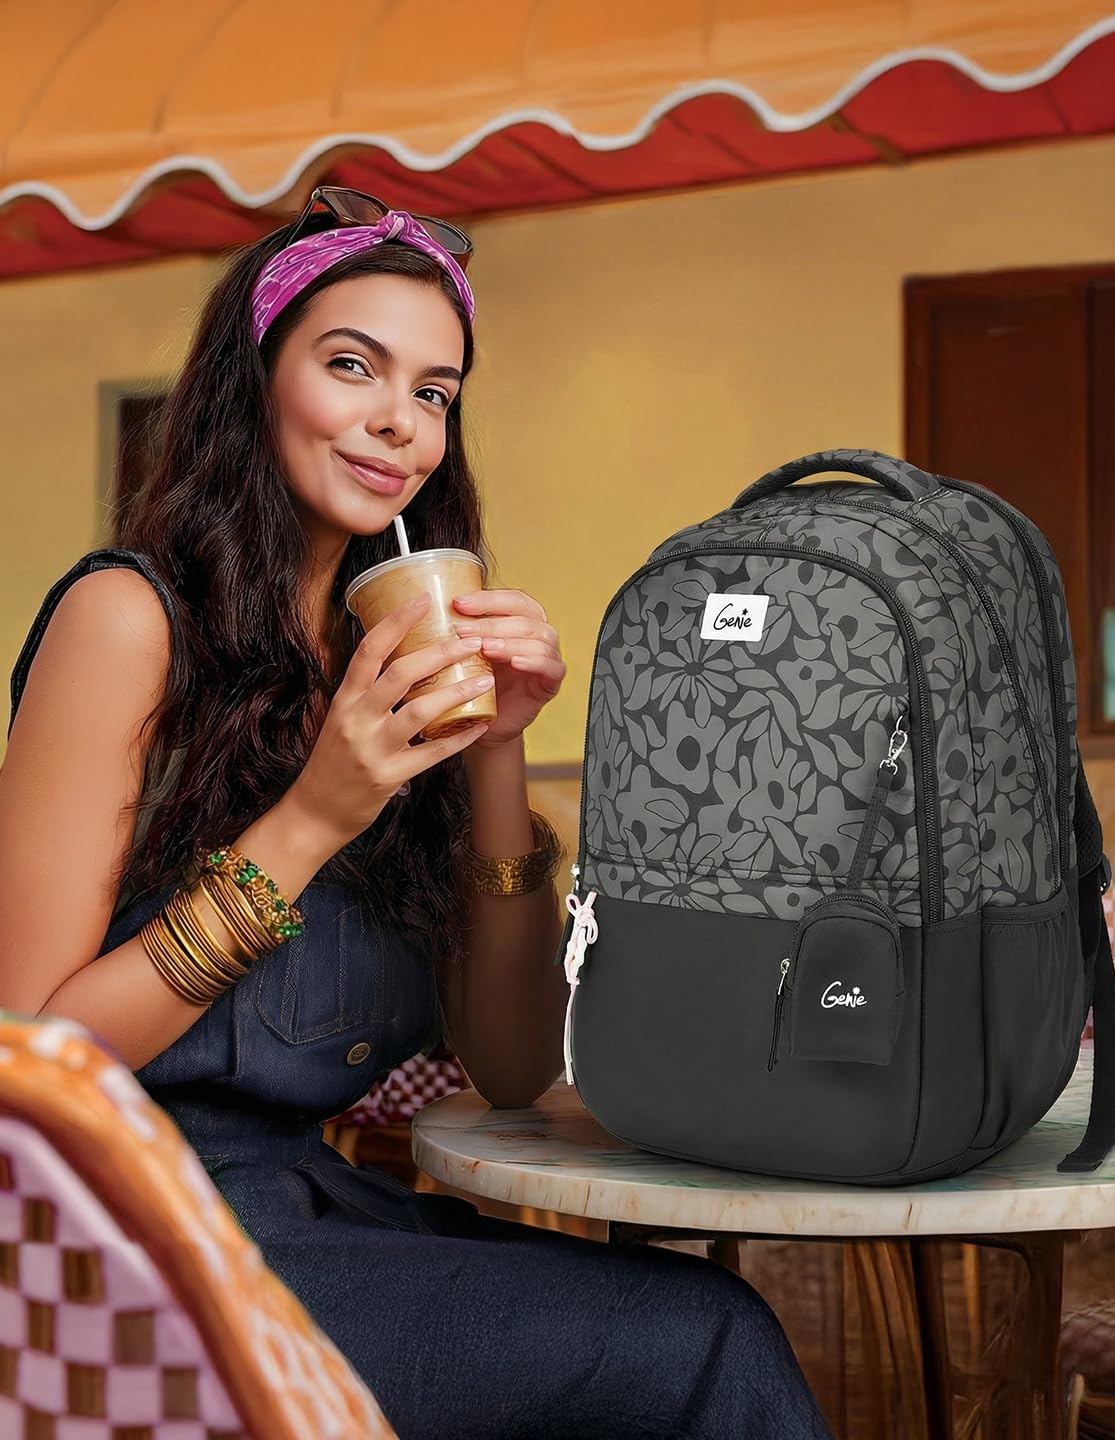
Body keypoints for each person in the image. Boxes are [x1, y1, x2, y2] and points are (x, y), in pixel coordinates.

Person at [0, 187, 832, 1440]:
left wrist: (499, 749)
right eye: (353, 365)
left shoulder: (386, 663)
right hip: (119, 1250)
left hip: (306, 1210)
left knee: (700, 1307)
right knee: (700, 1341)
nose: (401, 420)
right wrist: (314, 816)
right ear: (253, 377)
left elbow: (510, 1063)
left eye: (436, 393)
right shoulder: (126, 621)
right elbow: (33, 1063)